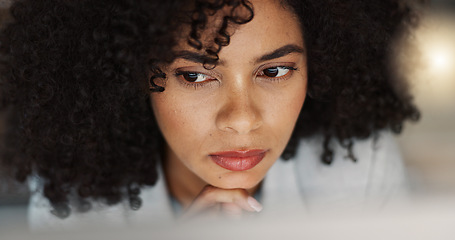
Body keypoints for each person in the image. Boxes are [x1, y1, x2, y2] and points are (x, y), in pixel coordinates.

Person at [0, 0, 421, 229]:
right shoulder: (78, 200)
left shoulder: (359, 168)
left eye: (274, 71)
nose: (241, 119)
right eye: (196, 76)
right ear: (132, 74)